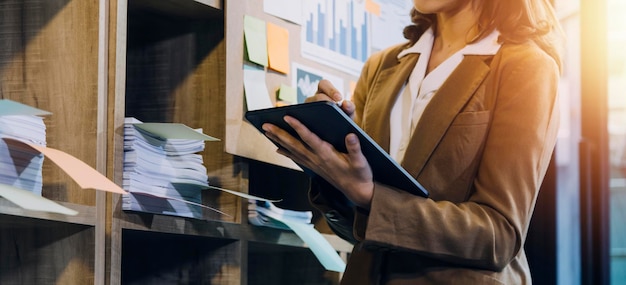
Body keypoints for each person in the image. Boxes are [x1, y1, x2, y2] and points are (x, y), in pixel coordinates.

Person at [261, 0, 562, 284]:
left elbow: (500, 236)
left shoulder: (525, 66)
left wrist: (371, 197)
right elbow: (359, 230)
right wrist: (331, 168)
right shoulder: (382, 66)